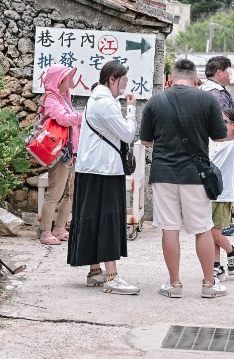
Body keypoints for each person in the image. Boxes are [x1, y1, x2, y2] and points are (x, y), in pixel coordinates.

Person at [139, 58, 229, 298]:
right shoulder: (207, 100)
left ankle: (174, 284)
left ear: (170, 80)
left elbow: (145, 141)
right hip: (195, 174)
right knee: (202, 228)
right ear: (196, 80)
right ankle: (209, 284)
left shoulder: (155, 101)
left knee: (169, 228)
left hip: (163, 174)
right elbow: (220, 137)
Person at [67, 61, 140, 295]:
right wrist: (132, 110)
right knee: (109, 219)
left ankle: (94, 271)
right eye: (122, 83)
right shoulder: (107, 104)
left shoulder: (94, 100)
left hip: (89, 168)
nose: (123, 89)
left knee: (91, 218)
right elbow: (128, 135)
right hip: (106, 169)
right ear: (112, 79)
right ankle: (112, 276)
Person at [201, 55, 234, 230]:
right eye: (228, 70)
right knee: (220, 179)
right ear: (218, 71)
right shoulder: (217, 94)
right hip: (218, 144)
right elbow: (223, 121)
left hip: (207, 143)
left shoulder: (204, 90)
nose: (231, 74)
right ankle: (222, 223)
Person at [38, 65, 83, 245]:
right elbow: (62, 118)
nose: (71, 80)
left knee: (71, 193)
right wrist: (83, 116)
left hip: (70, 151)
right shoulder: (51, 98)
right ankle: (45, 231)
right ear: (60, 79)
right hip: (59, 153)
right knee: (55, 193)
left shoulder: (65, 98)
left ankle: (59, 227)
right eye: (68, 77)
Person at [210, 108, 234, 282]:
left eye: (223, 121)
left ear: (233, 125)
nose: (219, 124)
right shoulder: (210, 141)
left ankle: (232, 252)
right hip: (206, 194)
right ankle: (216, 266)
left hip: (222, 195)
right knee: (209, 233)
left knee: (216, 233)